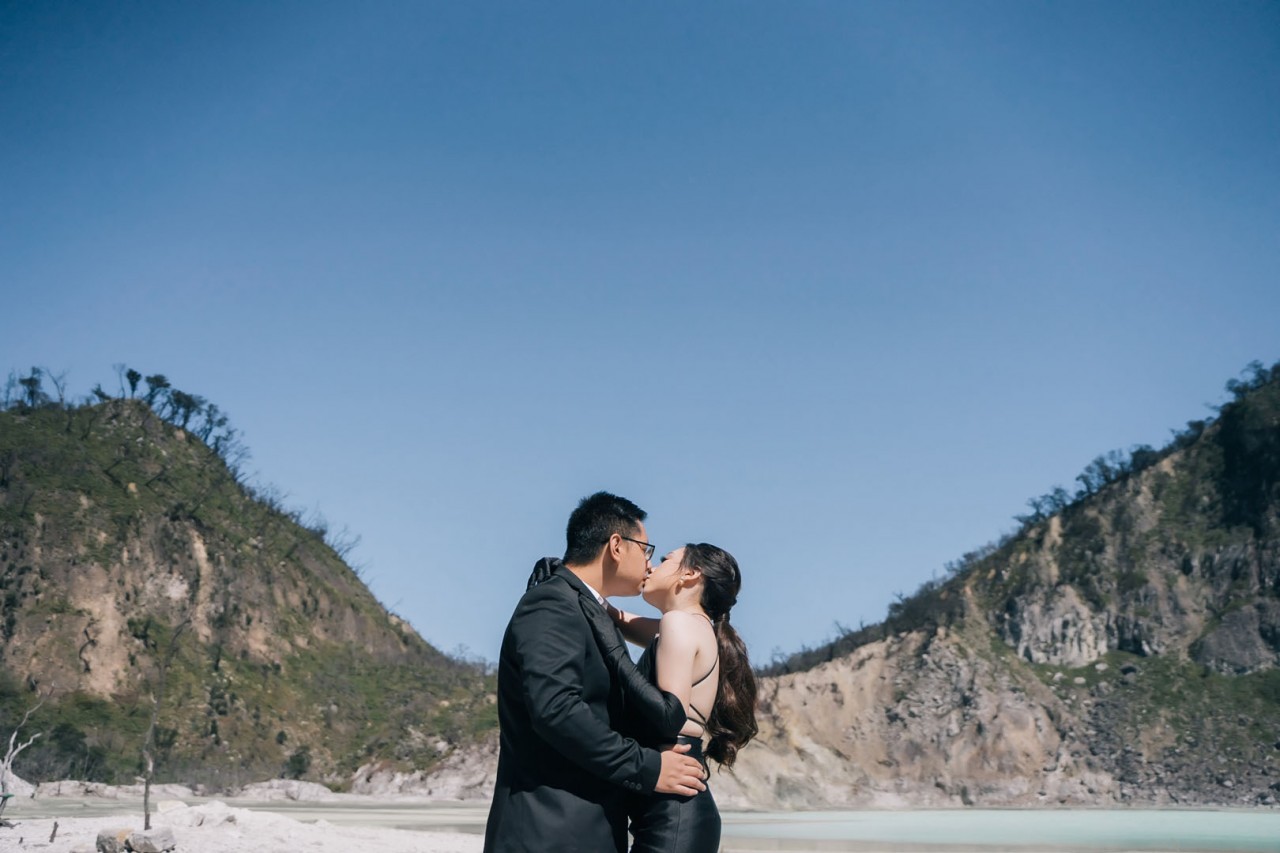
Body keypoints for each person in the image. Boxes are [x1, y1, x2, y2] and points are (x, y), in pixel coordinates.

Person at [483, 492, 708, 853]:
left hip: (586, 831)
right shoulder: (552, 603)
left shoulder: (587, 610)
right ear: (616, 546)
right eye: (646, 550)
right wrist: (648, 768)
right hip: (549, 833)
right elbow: (557, 710)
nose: (649, 564)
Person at [607, 544, 758, 853]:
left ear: (690, 574)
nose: (652, 566)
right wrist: (575, 583)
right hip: (678, 812)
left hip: (674, 817)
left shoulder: (679, 623)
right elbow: (614, 619)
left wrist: (614, 656)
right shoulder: (692, 627)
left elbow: (668, 716)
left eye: (665, 559)